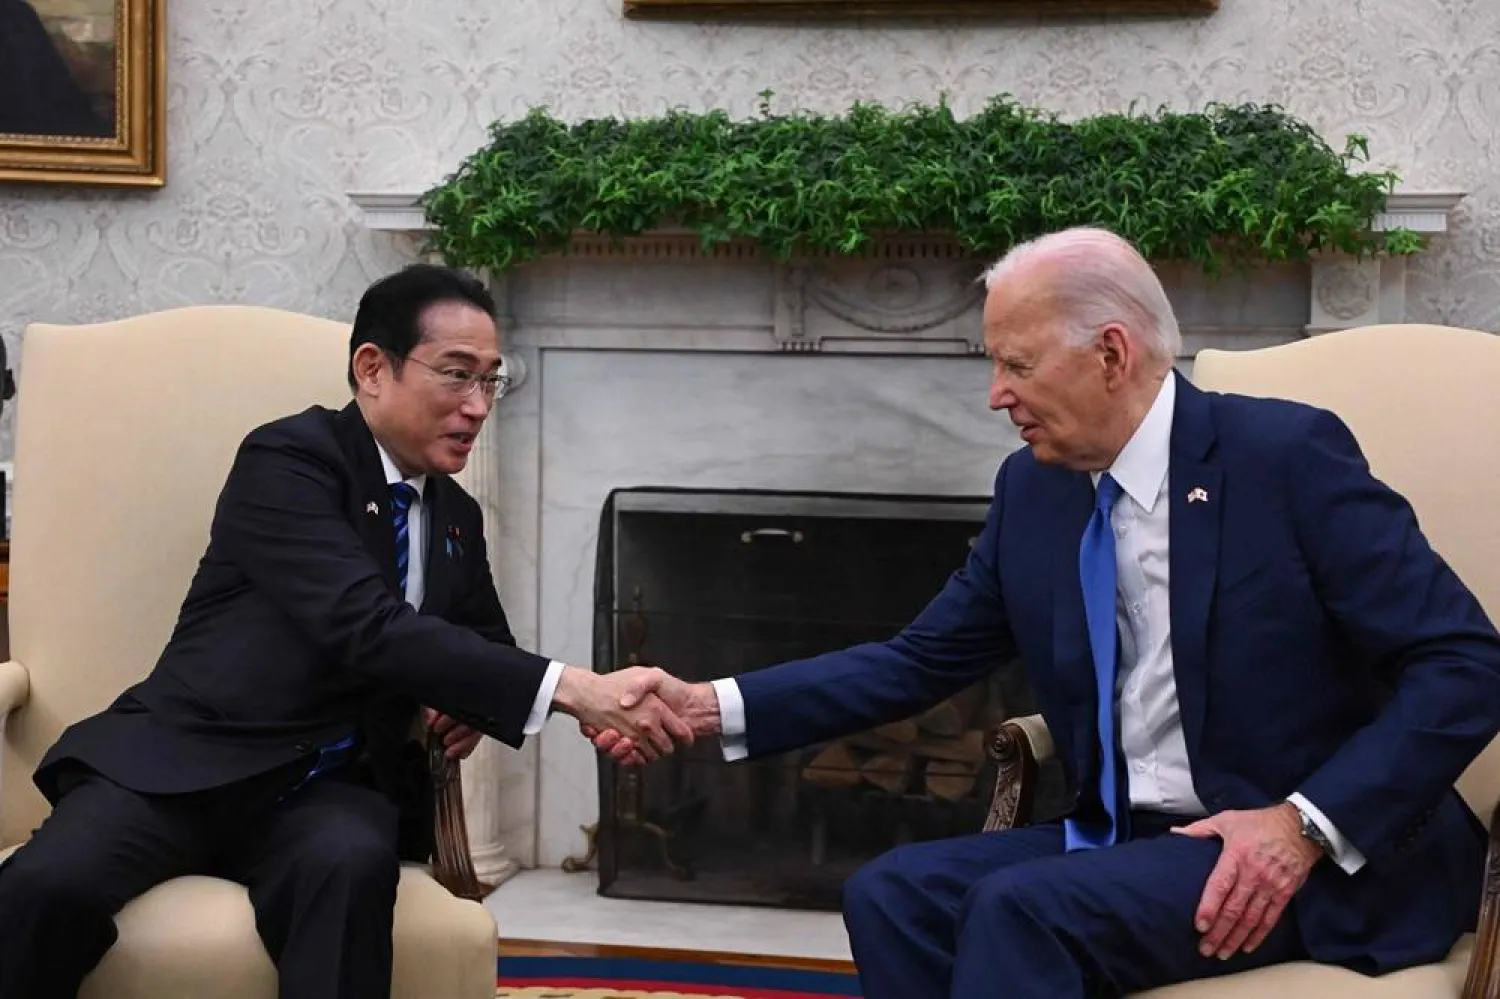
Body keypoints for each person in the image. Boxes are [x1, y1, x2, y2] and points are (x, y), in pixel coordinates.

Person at [586, 228, 1500, 997]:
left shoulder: (1283, 458)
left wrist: (1300, 826)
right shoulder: (1039, 490)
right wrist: (709, 704)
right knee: (891, 891)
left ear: (1111, 353)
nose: (996, 394)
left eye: (1016, 363)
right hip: (1130, 838)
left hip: (1300, 850)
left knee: (1021, 908)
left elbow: (1466, 661)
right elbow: (919, 660)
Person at [0, 263, 691, 999]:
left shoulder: (457, 516)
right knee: (44, 889)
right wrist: (580, 690)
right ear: (373, 369)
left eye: (492, 380)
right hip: (183, 765)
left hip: (327, 787)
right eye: (457, 374)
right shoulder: (290, 460)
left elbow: (485, 651)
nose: (478, 405)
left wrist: (497, 703)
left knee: (352, 865)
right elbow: (364, 624)